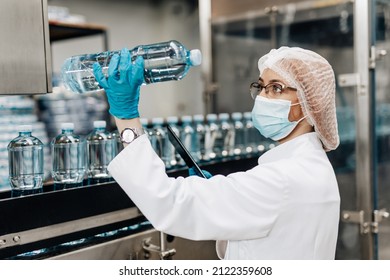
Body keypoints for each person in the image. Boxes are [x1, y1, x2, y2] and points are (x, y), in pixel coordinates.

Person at [93, 46, 340, 260]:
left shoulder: (281, 179)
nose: (263, 97)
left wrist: (126, 119)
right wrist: (223, 201)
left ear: (310, 103)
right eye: (261, 87)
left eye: (276, 88)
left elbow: (167, 202)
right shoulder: (313, 167)